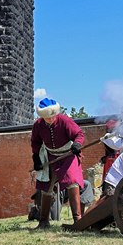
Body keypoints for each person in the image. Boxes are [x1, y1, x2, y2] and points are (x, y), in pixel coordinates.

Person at [31, 98, 85, 229]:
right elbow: (35, 142)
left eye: (52, 117)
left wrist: (77, 144)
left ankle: (77, 220)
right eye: (47, 118)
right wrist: (36, 157)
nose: (50, 120)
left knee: (72, 181)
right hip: (50, 156)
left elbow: (79, 134)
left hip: (68, 155)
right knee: (46, 186)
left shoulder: (64, 120)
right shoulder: (38, 125)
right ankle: (44, 221)